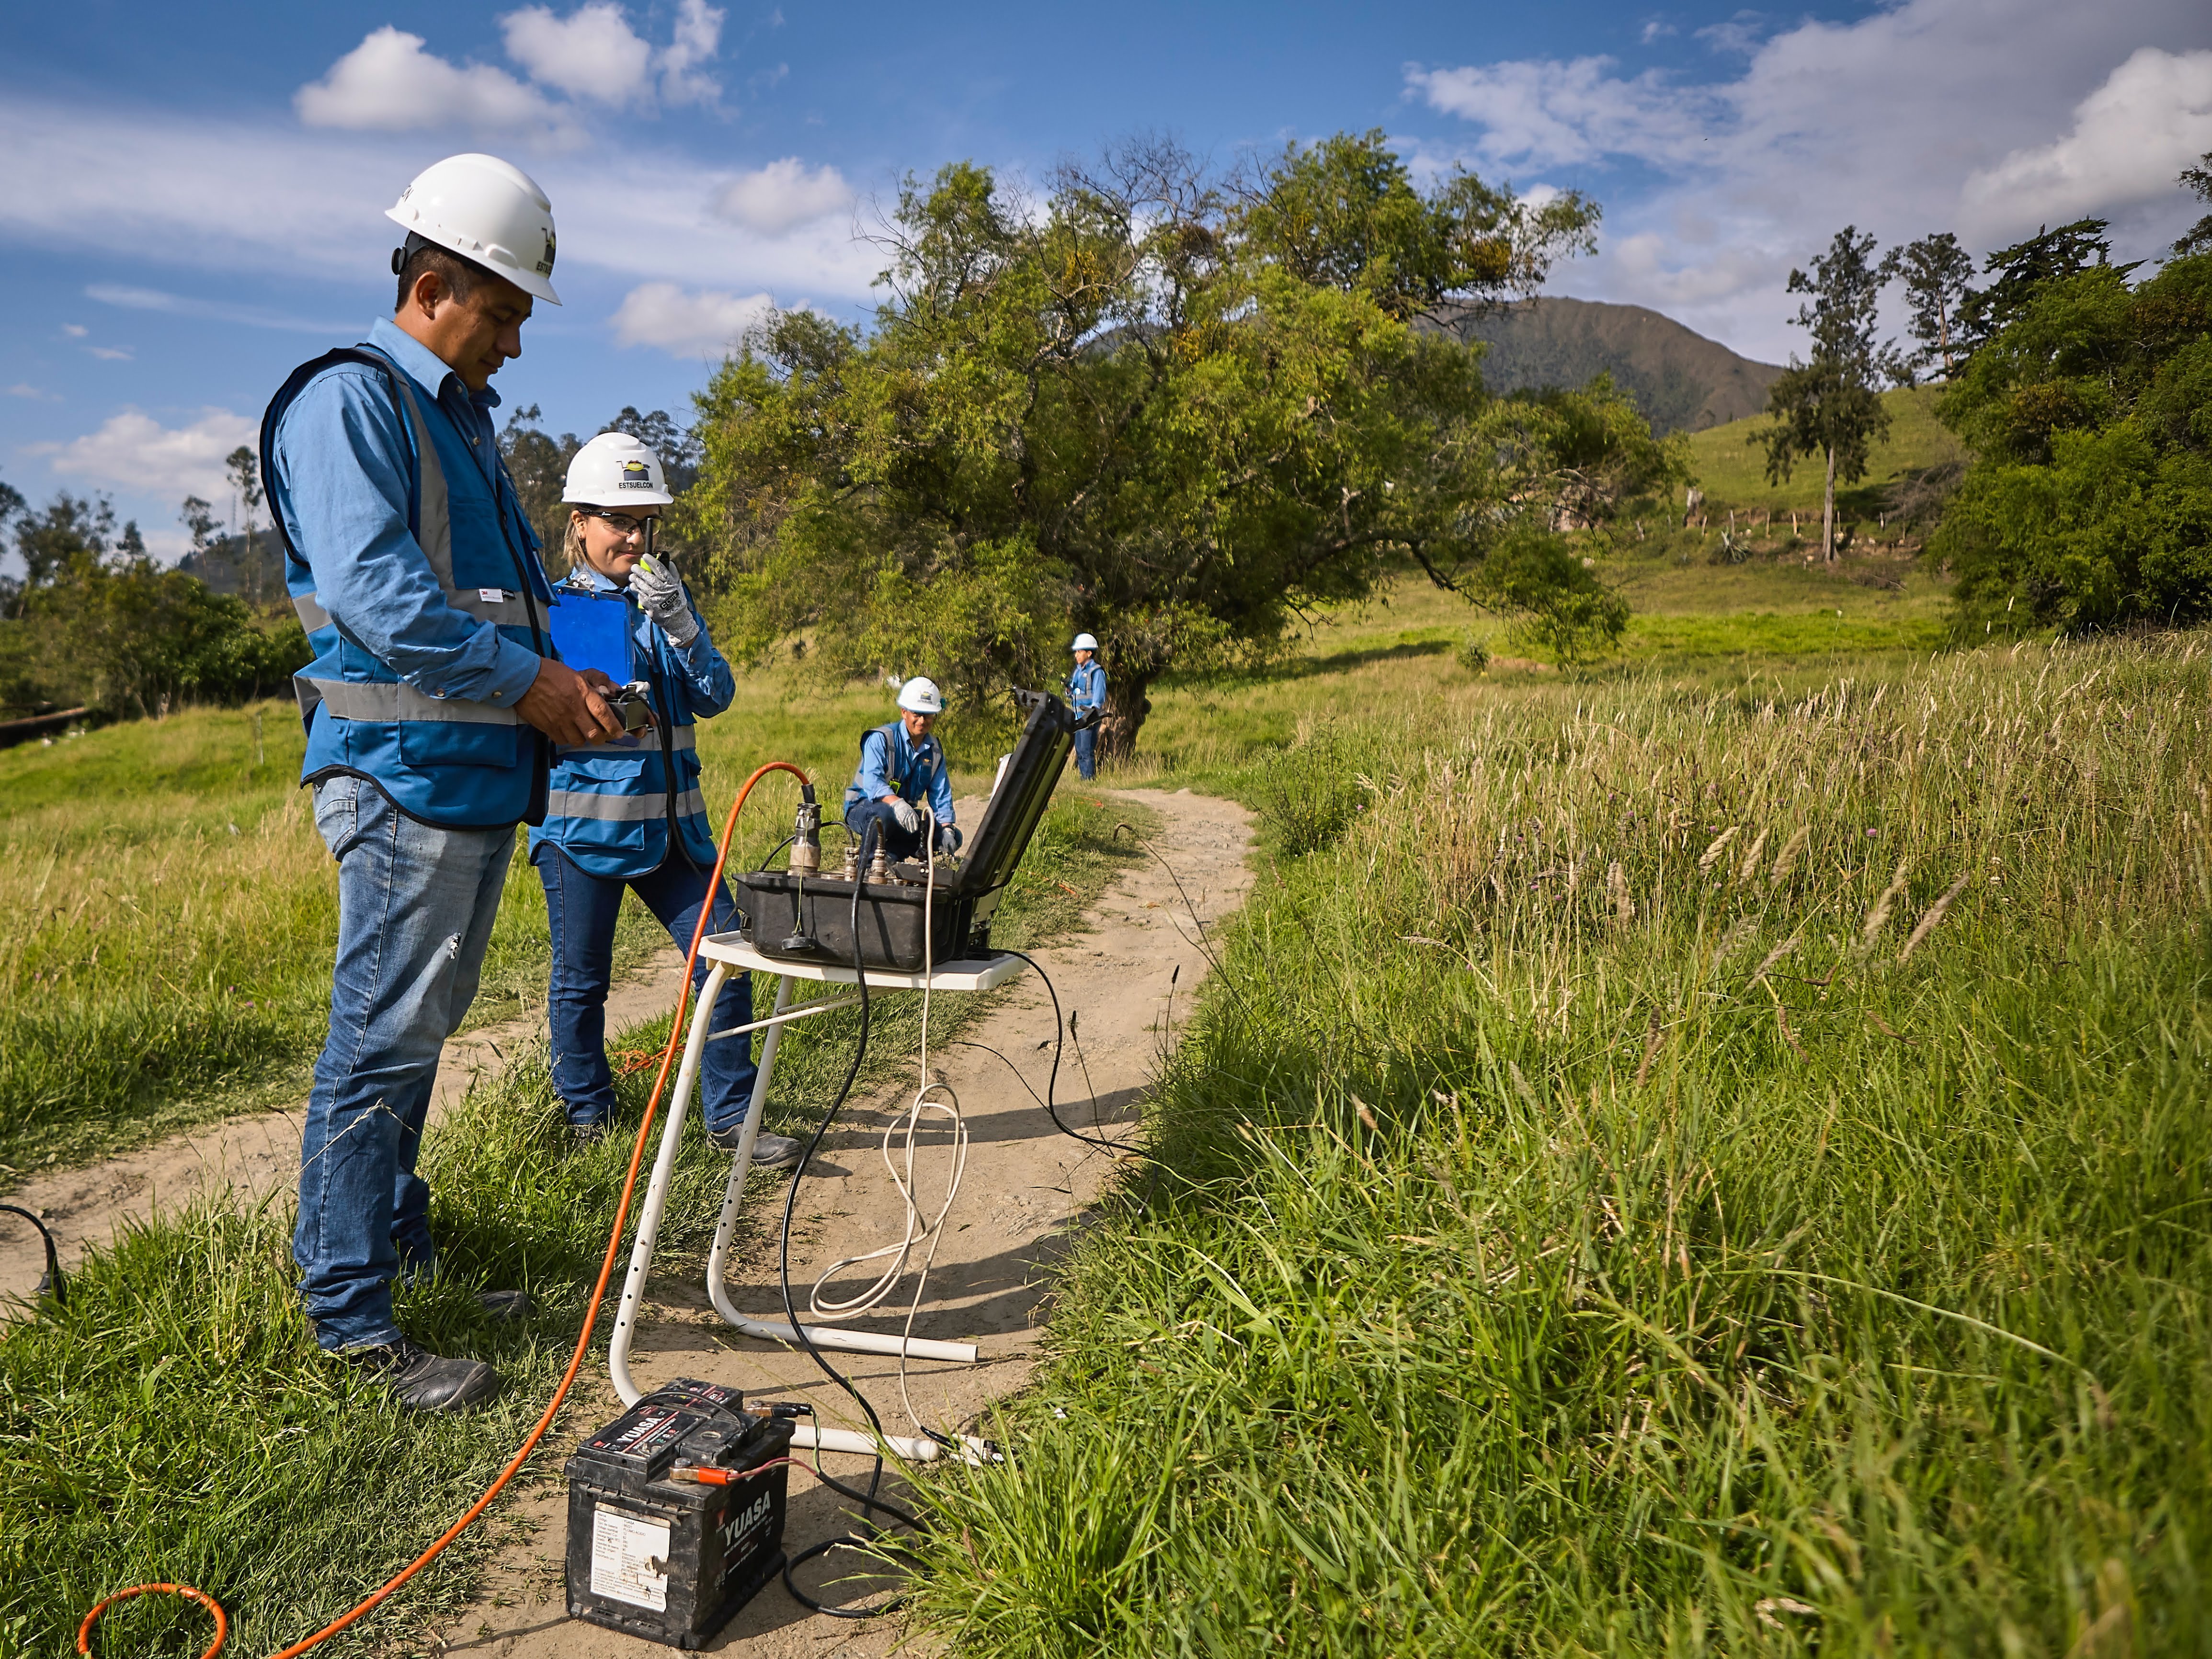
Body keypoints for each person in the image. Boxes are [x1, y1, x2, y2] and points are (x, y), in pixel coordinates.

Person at [264, 154, 627, 1414]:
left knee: (412, 1041)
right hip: (401, 778)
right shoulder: (348, 405)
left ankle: (402, 1261)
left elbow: (504, 599)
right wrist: (531, 688)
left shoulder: (460, 417)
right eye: (508, 311)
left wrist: (581, 680)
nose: (518, 343)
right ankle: (354, 1321)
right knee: (377, 1044)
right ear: (431, 287)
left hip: (469, 779)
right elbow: (382, 603)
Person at [530, 434, 803, 1167]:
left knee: (722, 959)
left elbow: (716, 695)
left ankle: (731, 1121)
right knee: (580, 983)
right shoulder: (549, 611)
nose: (634, 536)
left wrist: (681, 624)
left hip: (675, 839)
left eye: (645, 521)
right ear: (579, 524)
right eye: (618, 521)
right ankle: (587, 1115)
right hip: (580, 835)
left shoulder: (664, 602)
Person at [843, 677, 960, 863]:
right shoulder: (881, 739)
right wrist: (897, 803)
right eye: (917, 714)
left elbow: (941, 795)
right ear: (904, 712)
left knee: (952, 836)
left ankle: (892, 855)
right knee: (884, 816)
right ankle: (869, 865)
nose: (922, 721)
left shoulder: (935, 750)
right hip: (864, 807)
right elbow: (873, 783)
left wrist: (947, 828)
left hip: (903, 813)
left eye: (928, 715)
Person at [1066, 633, 1106, 781]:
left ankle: (1089, 780)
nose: (1076, 655)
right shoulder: (1077, 671)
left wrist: (1092, 713)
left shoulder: (1096, 671)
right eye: (1076, 652)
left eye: (1079, 652)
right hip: (1078, 718)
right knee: (1081, 751)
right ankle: (1084, 778)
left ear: (1089, 653)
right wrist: (1069, 690)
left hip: (1088, 717)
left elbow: (1099, 695)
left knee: (1087, 751)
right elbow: (1076, 692)